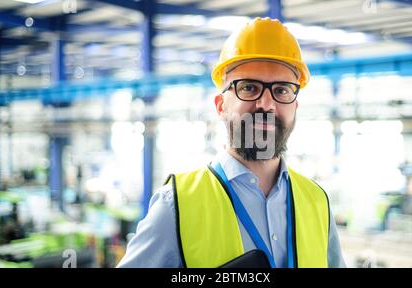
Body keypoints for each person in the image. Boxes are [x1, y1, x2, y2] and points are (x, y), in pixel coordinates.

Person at [117, 17, 345, 268]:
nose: (266, 104)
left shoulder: (316, 201)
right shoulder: (176, 204)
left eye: (281, 90)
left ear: (295, 106)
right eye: (249, 87)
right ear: (221, 105)